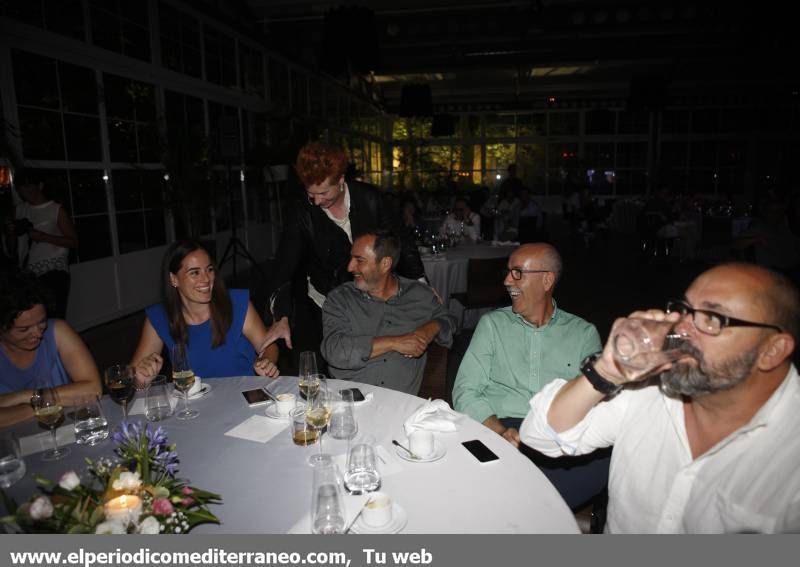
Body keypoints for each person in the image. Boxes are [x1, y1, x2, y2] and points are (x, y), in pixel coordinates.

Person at [520, 262, 800, 533]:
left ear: (772, 350)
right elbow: (540, 436)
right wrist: (608, 370)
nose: (681, 330)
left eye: (712, 319)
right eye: (684, 311)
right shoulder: (652, 388)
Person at [452, 243, 608, 509]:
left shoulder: (583, 334)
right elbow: (465, 391)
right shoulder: (492, 326)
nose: (506, 280)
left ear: (547, 280)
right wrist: (499, 431)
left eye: (517, 273)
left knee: (601, 462)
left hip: (558, 438)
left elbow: (597, 402)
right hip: (499, 427)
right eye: (508, 272)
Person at [268, 142, 425, 370]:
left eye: (323, 193)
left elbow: (401, 241)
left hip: (373, 301)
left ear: (341, 181)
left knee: (376, 367)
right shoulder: (301, 211)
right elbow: (284, 265)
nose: (317, 201)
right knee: (329, 369)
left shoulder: (371, 199)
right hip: (324, 303)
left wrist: (421, 284)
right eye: (311, 194)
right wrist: (280, 316)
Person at [321, 230, 455, 395]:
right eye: (351, 258)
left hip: (400, 404)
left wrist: (427, 331)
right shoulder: (340, 299)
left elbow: (449, 319)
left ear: (385, 264)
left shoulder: (419, 295)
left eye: (359, 260)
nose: (350, 267)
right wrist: (395, 342)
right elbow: (334, 350)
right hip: (350, 403)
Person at [131, 240, 279, 385]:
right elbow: (131, 377)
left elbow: (269, 346)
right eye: (195, 272)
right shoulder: (160, 318)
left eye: (209, 269)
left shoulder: (236, 303)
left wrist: (266, 362)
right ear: (174, 279)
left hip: (243, 397)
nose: (206, 279)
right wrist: (141, 379)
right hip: (194, 406)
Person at [0, 271, 101, 428]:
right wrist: (37, 407)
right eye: (24, 329)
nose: (38, 333)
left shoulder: (57, 331)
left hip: (64, 432)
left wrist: (26, 397)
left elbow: (93, 390)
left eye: (41, 322)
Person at [5, 170, 78, 319]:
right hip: (27, 272)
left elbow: (73, 241)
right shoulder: (19, 210)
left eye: (29, 186)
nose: (26, 191)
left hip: (54, 268)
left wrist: (45, 237)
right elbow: (13, 249)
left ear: (40, 186)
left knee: (54, 316)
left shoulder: (55, 209)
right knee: (34, 318)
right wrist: (11, 232)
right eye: (22, 188)